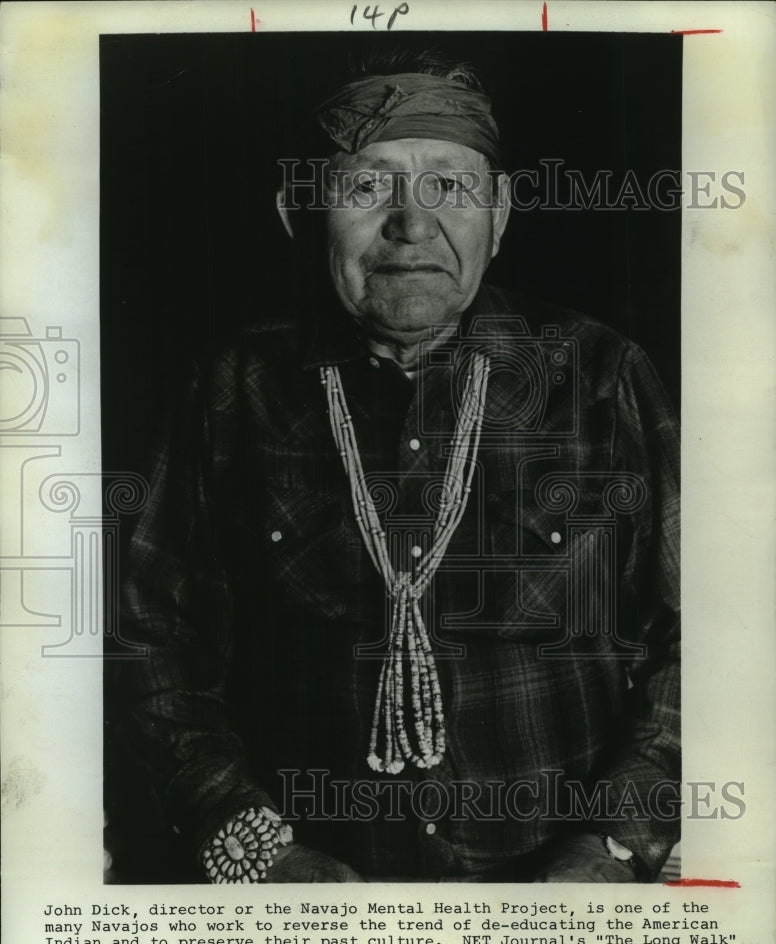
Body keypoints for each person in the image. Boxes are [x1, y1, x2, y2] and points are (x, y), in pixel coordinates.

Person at [112, 47, 680, 884]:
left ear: (500, 215)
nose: (412, 225)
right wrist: (254, 846)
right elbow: (151, 638)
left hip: (564, 894)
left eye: (449, 186)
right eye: (368, 186)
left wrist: (615, 845)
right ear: (301, 213)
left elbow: (709, 634)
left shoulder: (600, 375)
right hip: (313, 902)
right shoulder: (233, 388)